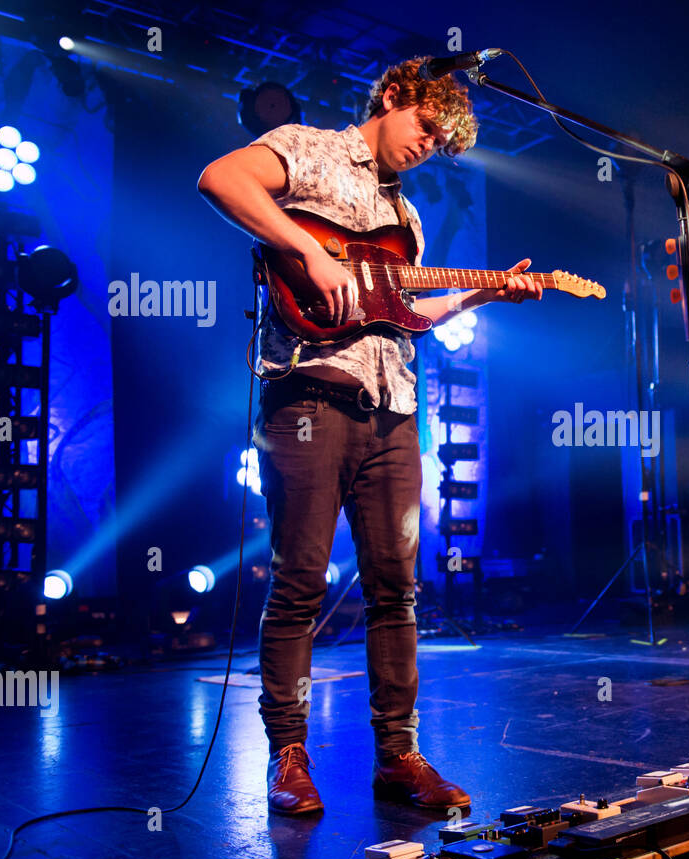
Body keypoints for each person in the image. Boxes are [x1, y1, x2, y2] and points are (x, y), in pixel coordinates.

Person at [197, 57, 544, 814]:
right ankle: (287, 756)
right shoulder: (309, 146)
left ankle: (398, 755)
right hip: (309, 393)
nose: (428, 144)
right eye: (425, 126)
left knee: (399, 591)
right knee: (299, 583)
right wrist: (310, 249)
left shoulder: (409, 220)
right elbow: (221, 180)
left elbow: (404, 314)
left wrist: (484, 291)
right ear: (392, 98)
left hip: (393, 408)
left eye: (441, 141)